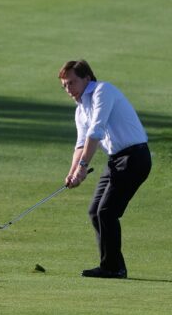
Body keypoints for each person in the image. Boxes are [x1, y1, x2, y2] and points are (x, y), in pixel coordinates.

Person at [59, 59, 152, 279]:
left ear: (87, 79)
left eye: (71, 83)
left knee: (107, 211)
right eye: (64, 85)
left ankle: (113, 268)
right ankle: (113, 265)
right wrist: (73, 172)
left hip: (135, 157)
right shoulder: (80, 109)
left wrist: (83, 167)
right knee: (95, 212)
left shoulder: (103, 91)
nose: (68, 89)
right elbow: (81, 144)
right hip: (116, 160)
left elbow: (96, 131)